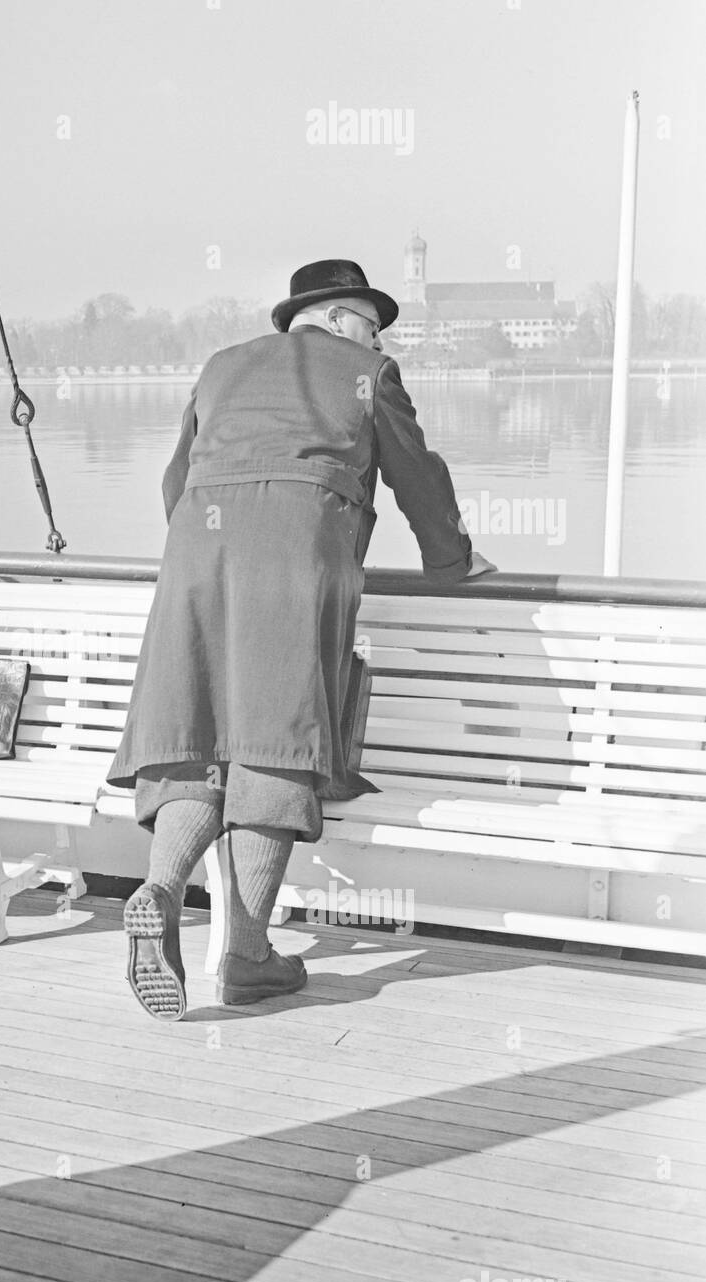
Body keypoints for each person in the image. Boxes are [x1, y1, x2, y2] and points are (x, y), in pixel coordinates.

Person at [108, 259, 495, 1021]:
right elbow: (415, 473)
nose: (379, 336)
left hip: (195, 551)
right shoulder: (366, 370)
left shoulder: (221, 367)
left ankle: (158, 889)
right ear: (340, 317)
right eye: (372, 321)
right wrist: (451, 560)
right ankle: (246, 955)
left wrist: (210, 552)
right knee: (274, 741)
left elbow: (174, 480)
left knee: (190, 734)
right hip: (293, 548)